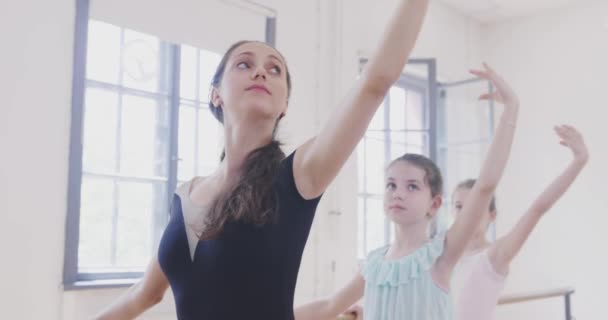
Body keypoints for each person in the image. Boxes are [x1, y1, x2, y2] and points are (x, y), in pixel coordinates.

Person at [94, 0, 430, 319]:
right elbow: (145, 294)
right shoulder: (185, 196)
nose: (261, 73)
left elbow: (375, 82)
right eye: (245, 64)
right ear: (215, 94)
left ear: (284, 104)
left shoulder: (300, 174)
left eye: (274, 70)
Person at [294, 63, 520, 320]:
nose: (397, 193)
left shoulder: (441, 253)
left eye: (412, 186)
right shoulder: (374, 265)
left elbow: (485, 186)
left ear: (434, 204)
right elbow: (328, 306)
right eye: (391, 184)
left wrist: (511, 108)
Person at [451, 125, 589, 320]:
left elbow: (537, 209)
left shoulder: (495, 255)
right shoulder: (443, 256)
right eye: (459, 206)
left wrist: (579, 161)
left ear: (492, 215)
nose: (466, 214)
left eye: (475, 207)